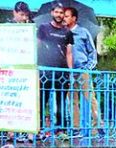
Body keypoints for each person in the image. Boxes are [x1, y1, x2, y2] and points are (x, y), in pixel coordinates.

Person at [64, 7, 102, 137]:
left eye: (67, 16)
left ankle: (97, 126)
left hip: (82, 69)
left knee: (89, 97)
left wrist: (88, 67)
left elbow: (92, 51)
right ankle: (76, 128)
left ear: (74, 18)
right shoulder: (63, 32)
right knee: (72, 100)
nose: (64, 18)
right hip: (68, 71)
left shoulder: (83, 32)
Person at [37, 2, 70, 132]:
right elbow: (37, 46)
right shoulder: (43, 28)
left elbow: (69, 53)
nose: (59, 15)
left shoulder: (67, 32)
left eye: (61, 13)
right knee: (42, 99)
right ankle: (39, 128)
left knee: (61, 101)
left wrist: (70, 71)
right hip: (45, 71)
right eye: (56, 12)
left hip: (61, 72)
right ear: (52, 13)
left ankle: (61, 129)